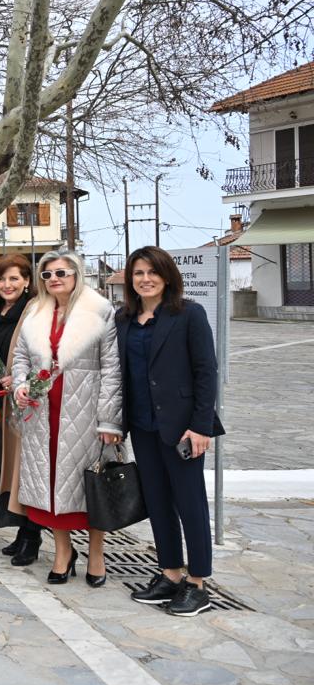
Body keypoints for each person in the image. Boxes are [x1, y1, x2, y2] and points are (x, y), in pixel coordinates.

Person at [118, 246, 224, 616]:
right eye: (138, 273)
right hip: (142, 425)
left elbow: (206, 371)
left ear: (167, 276)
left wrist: (200, 426)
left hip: (182, 428)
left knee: (189, 503)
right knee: (158, 502)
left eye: (153, 272)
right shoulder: (124, 318)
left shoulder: (188, 314)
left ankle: (198, 583)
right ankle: (170, 574)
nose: (145, 279)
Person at [13, 251, 122, 587]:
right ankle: (63, 552)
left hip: (84, 413)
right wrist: (20, 385)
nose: (54, 279)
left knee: (91, 486)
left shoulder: (100, 310)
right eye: (47, 275)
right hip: (42, 413)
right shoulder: (35, 311)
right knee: (50, 487)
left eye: (61, 272)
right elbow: (20, 356)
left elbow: (112, 368)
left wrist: (109, 420)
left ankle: (97, 553)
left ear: (76, 274)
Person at [0, 254, 41, 565]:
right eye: (2, 279)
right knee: (5, 469)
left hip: (22, 402)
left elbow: (41, 354)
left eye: (14, 278)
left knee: (23, 469)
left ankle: (32, 536)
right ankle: (21, 531)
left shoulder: (32, 311)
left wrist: (19, 378)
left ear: (27, 281)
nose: (7, 285)